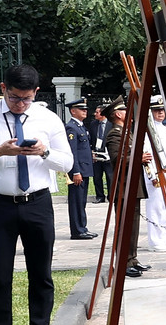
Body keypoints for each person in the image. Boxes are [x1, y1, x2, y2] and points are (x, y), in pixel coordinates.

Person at [0, 64, 73, 325]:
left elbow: (67, 163)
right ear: (3, 89)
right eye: (14, 97)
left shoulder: (48, 118)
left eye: (27, 98)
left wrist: (45, 152)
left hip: (38, 203)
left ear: (36, 92)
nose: (20, 104)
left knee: (41, 274)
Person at [103, 97, 151, 278]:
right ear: (117, 114)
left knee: (133, 226)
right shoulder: (115, 134)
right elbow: (118, 160)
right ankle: (123, 263)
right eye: (125, 111)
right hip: (124, 187)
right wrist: (139, 158)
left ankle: (132, 259)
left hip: (133, 185)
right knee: (124, 226)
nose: (129, 115)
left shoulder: (126, 132)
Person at [143, 97, 166, 252]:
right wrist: (152, 176)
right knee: (156, 207)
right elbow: (147, 155)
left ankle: (163, 237)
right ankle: (155, 240)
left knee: (165, 207)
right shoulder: (147, 131)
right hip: (156, 175)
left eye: (162, 110)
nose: (160, 113)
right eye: (156, 110)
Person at [65, 99, 97, 240]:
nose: (85, 111)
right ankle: (77, 230)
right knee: (76, 201)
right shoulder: (71, 127)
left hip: (85, 169)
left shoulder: (81, 127)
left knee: (82, 201)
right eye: (81, 109)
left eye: (85, 109)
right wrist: (76, 172)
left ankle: (82, 227)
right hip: (79, 172)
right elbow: (72, 152)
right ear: (73, 111)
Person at [89, 104, 113, 203]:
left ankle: (111, 196)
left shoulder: (111, 124)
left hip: (108, 155)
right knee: (97, 177)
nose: (95, 114)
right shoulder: (93, 124)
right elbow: (90, 139)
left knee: (110, 177)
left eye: (97, 112)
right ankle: (100, 196)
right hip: (97, 154)